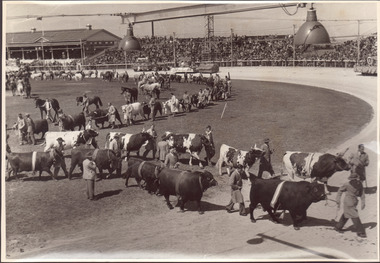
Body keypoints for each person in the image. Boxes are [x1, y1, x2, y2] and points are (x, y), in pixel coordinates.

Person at [335, 172, 366, 238]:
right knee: (354, 215)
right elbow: (340, 190)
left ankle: (338, 227)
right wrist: (338, 199)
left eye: (355, 179)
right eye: (352, 179)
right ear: (351, 179)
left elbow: (362, 194)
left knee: (347, 214)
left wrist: (363, 202)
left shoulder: (360, 184)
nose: (354, 180)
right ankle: (360, 231)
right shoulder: (347, 184)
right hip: (348, 201)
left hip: (354, 201)